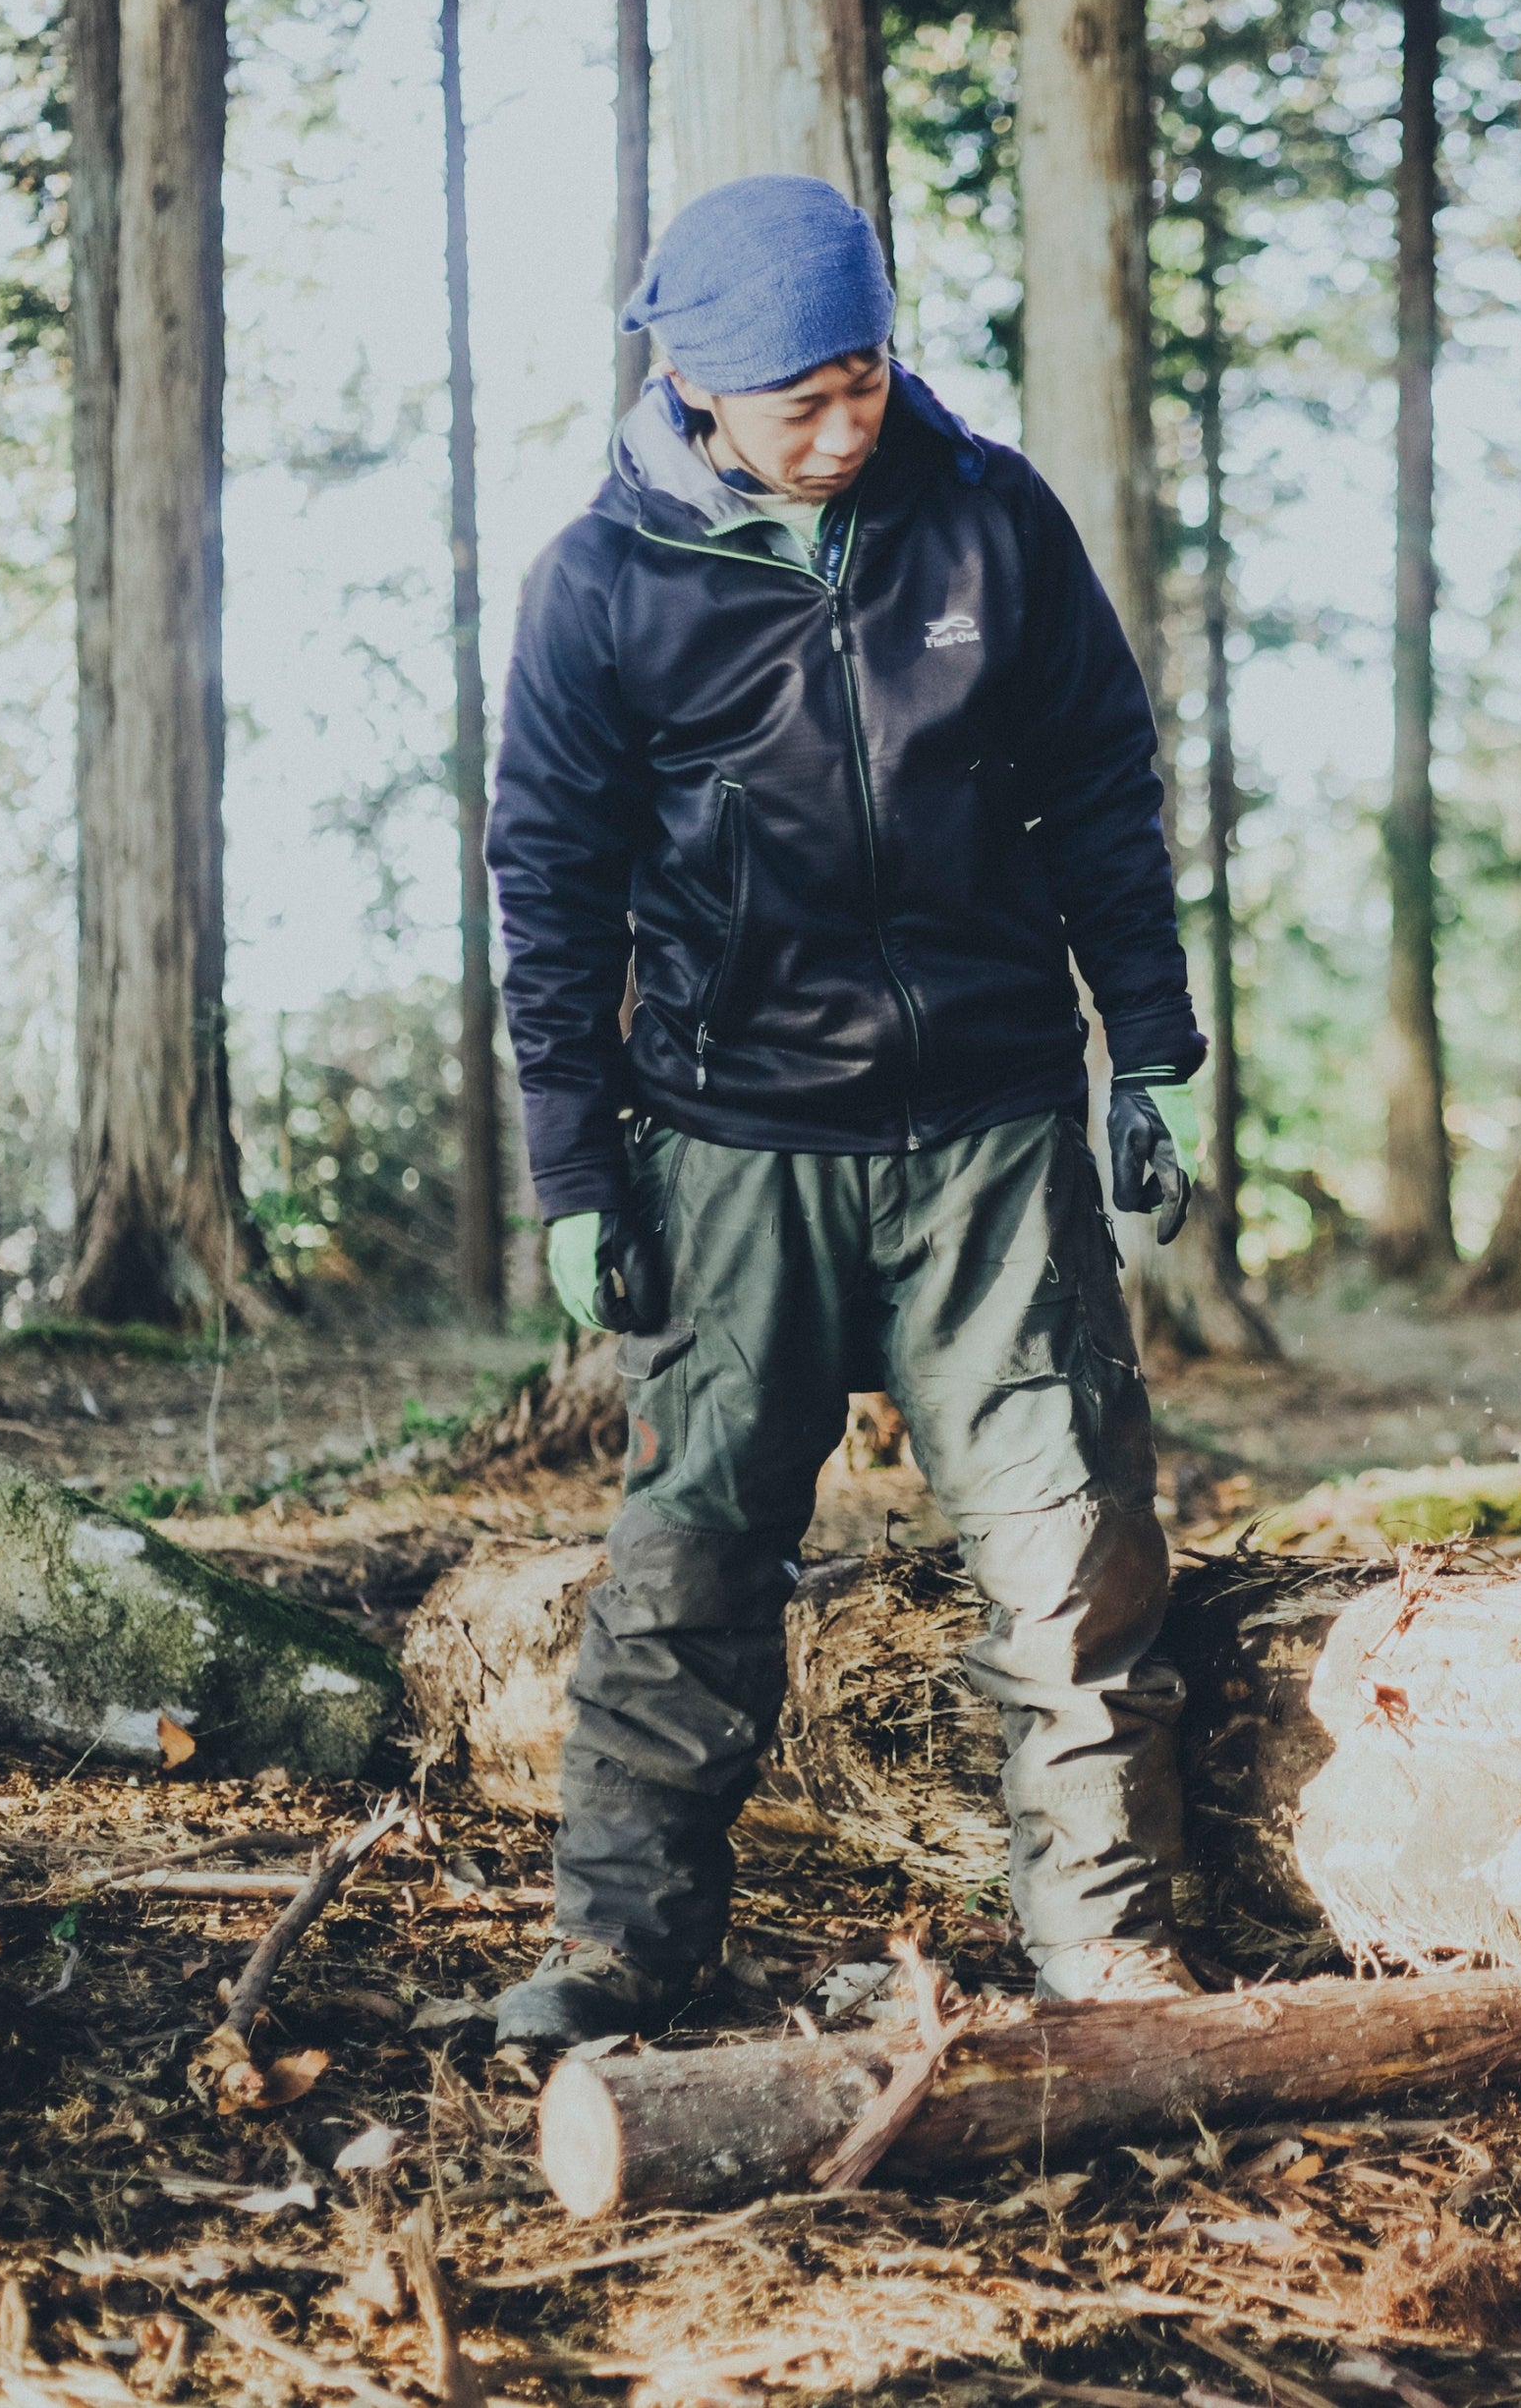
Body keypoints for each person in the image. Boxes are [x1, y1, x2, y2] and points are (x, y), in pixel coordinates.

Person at [484, 174, 1208, 2046]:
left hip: (989, 1135)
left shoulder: (992, 524)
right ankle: (623, 1951)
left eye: (867, 376)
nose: (844, 423)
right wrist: (575, 1166)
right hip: (732, 1144)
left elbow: (1102, 795)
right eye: (799, 399)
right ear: (696, 387)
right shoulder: (603, 587)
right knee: (691, 1560)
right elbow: (550, 889)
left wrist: (1153, 1048)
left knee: (1074, 1548)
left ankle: (1107, 1945)